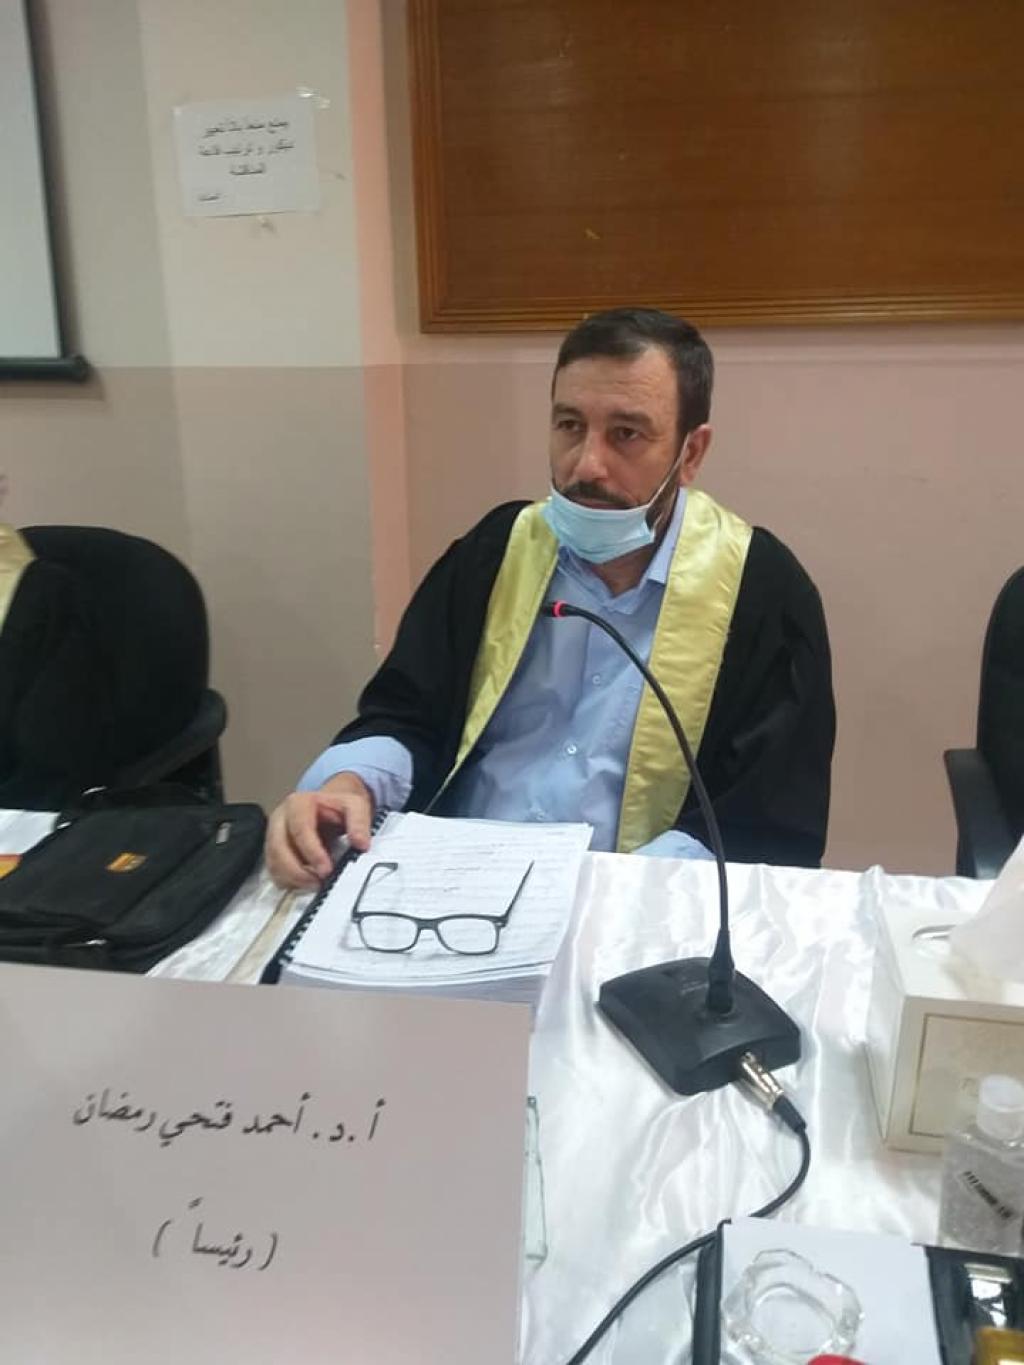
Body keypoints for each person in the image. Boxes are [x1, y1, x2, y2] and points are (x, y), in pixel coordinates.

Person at [266, 308, 835, 889]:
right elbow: (407, 715)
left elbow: (763, 823)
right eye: (569, 425)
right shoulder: (495, 553)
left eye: (626, 434)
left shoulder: (761, 591)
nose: (587, 465)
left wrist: (607, 892)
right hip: (451, 879)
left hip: (629, 901)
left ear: (691, 454)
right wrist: (350, 785)